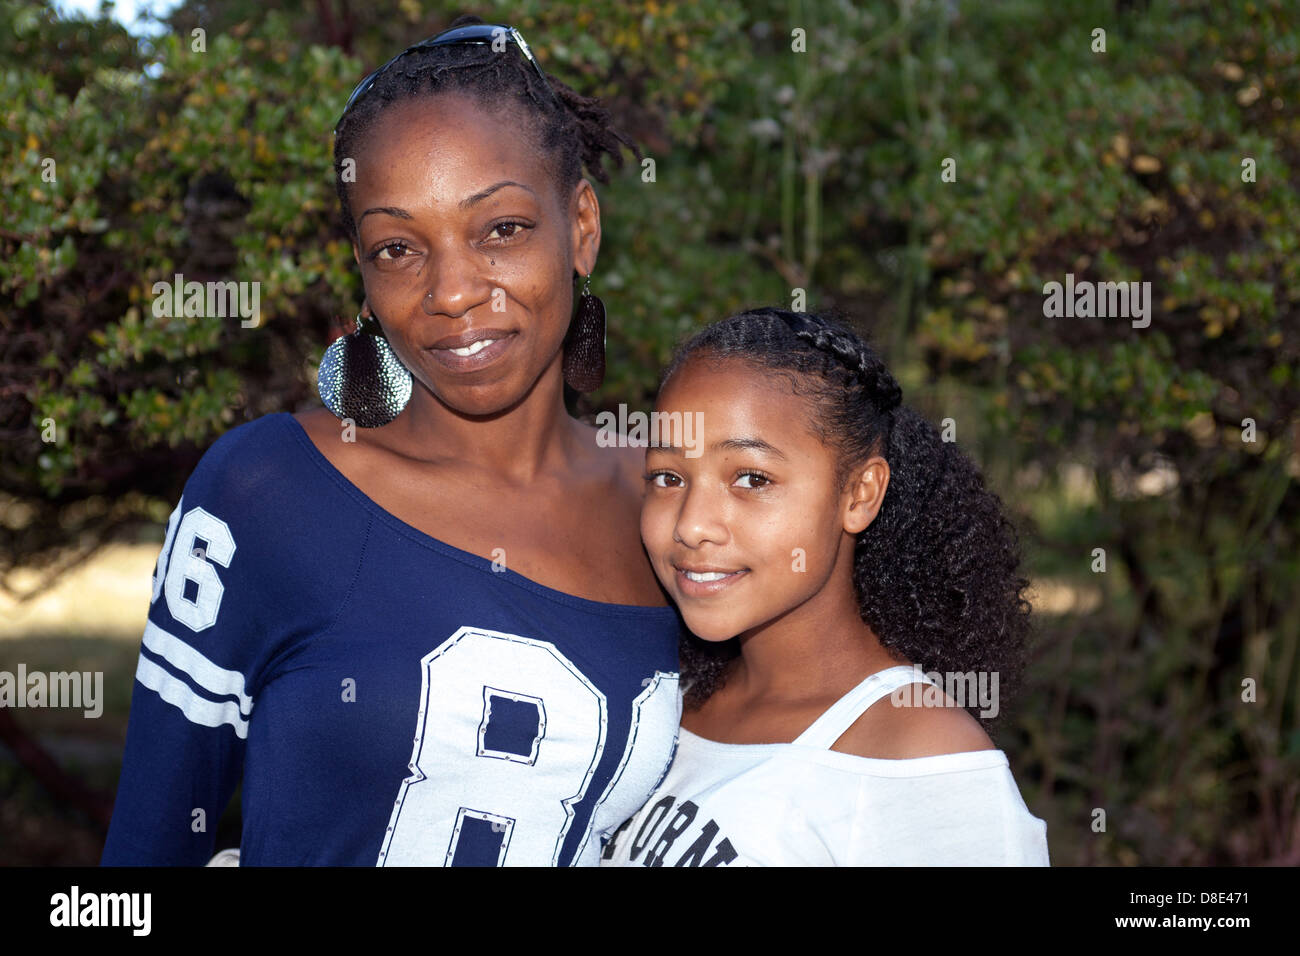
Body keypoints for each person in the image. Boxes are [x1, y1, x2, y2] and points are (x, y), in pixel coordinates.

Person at [102, 18, 684, 866]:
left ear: (582, 226)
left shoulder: (675, 506)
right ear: (364, 276)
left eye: (502, 230)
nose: (451, 292)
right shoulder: (268, 493)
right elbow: (142, 856)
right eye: (399, 247)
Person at [600, 307, 1049, 866]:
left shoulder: (921, 758)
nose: (691, 524)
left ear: (859, 493)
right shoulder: (664, 708)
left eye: (752, 478)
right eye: (667, 477)